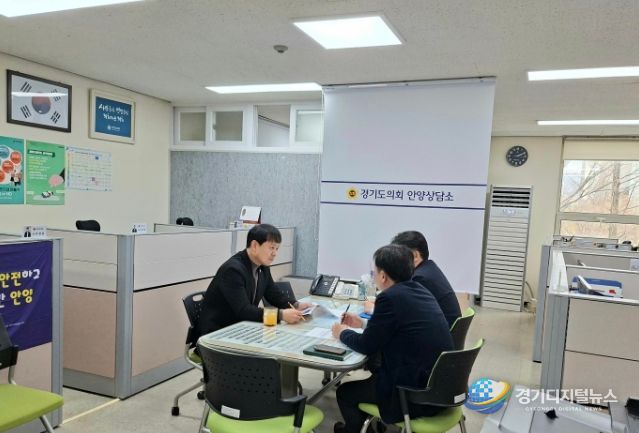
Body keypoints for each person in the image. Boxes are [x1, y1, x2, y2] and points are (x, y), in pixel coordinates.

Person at [331, 244, 454, 433]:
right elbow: (399, 329)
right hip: (440, 388)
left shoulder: (389, 298)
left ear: (382, 276)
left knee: (345, 393)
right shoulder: (420, 290)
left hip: (413, 394)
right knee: (375, 367)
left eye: (374, 271)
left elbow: (366, 345)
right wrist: (361, 324)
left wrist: (341, 332)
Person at [197, 224, 311, 336]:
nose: (275, 253)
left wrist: (296, 305)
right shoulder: (232, 270)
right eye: (271, 248)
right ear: (255, 245)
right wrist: (280, 315)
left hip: (240, 329)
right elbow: (244, 311)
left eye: (277, 249)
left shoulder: (262, 267)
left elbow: (273, 295)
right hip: (217, 334)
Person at [391, 230, 461, 327]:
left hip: (439, 333)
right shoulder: (429, 268)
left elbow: (405, 314)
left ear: (415, 255)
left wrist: (375, 308)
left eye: (398, 255)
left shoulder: (419, 278)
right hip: (445, 329)